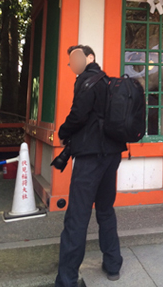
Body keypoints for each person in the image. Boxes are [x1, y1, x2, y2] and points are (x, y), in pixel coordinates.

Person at [55, 45, 127, 287]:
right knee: (105, 209)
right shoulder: (109, 84)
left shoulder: (86, 80)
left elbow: (78, 115)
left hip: (90, 157)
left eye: (76, 57)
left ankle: (66, 280)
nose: (73, 64)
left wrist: (63, 132)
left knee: (77, 215)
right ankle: (113, 264)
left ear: (90, 57)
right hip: (112, 154)